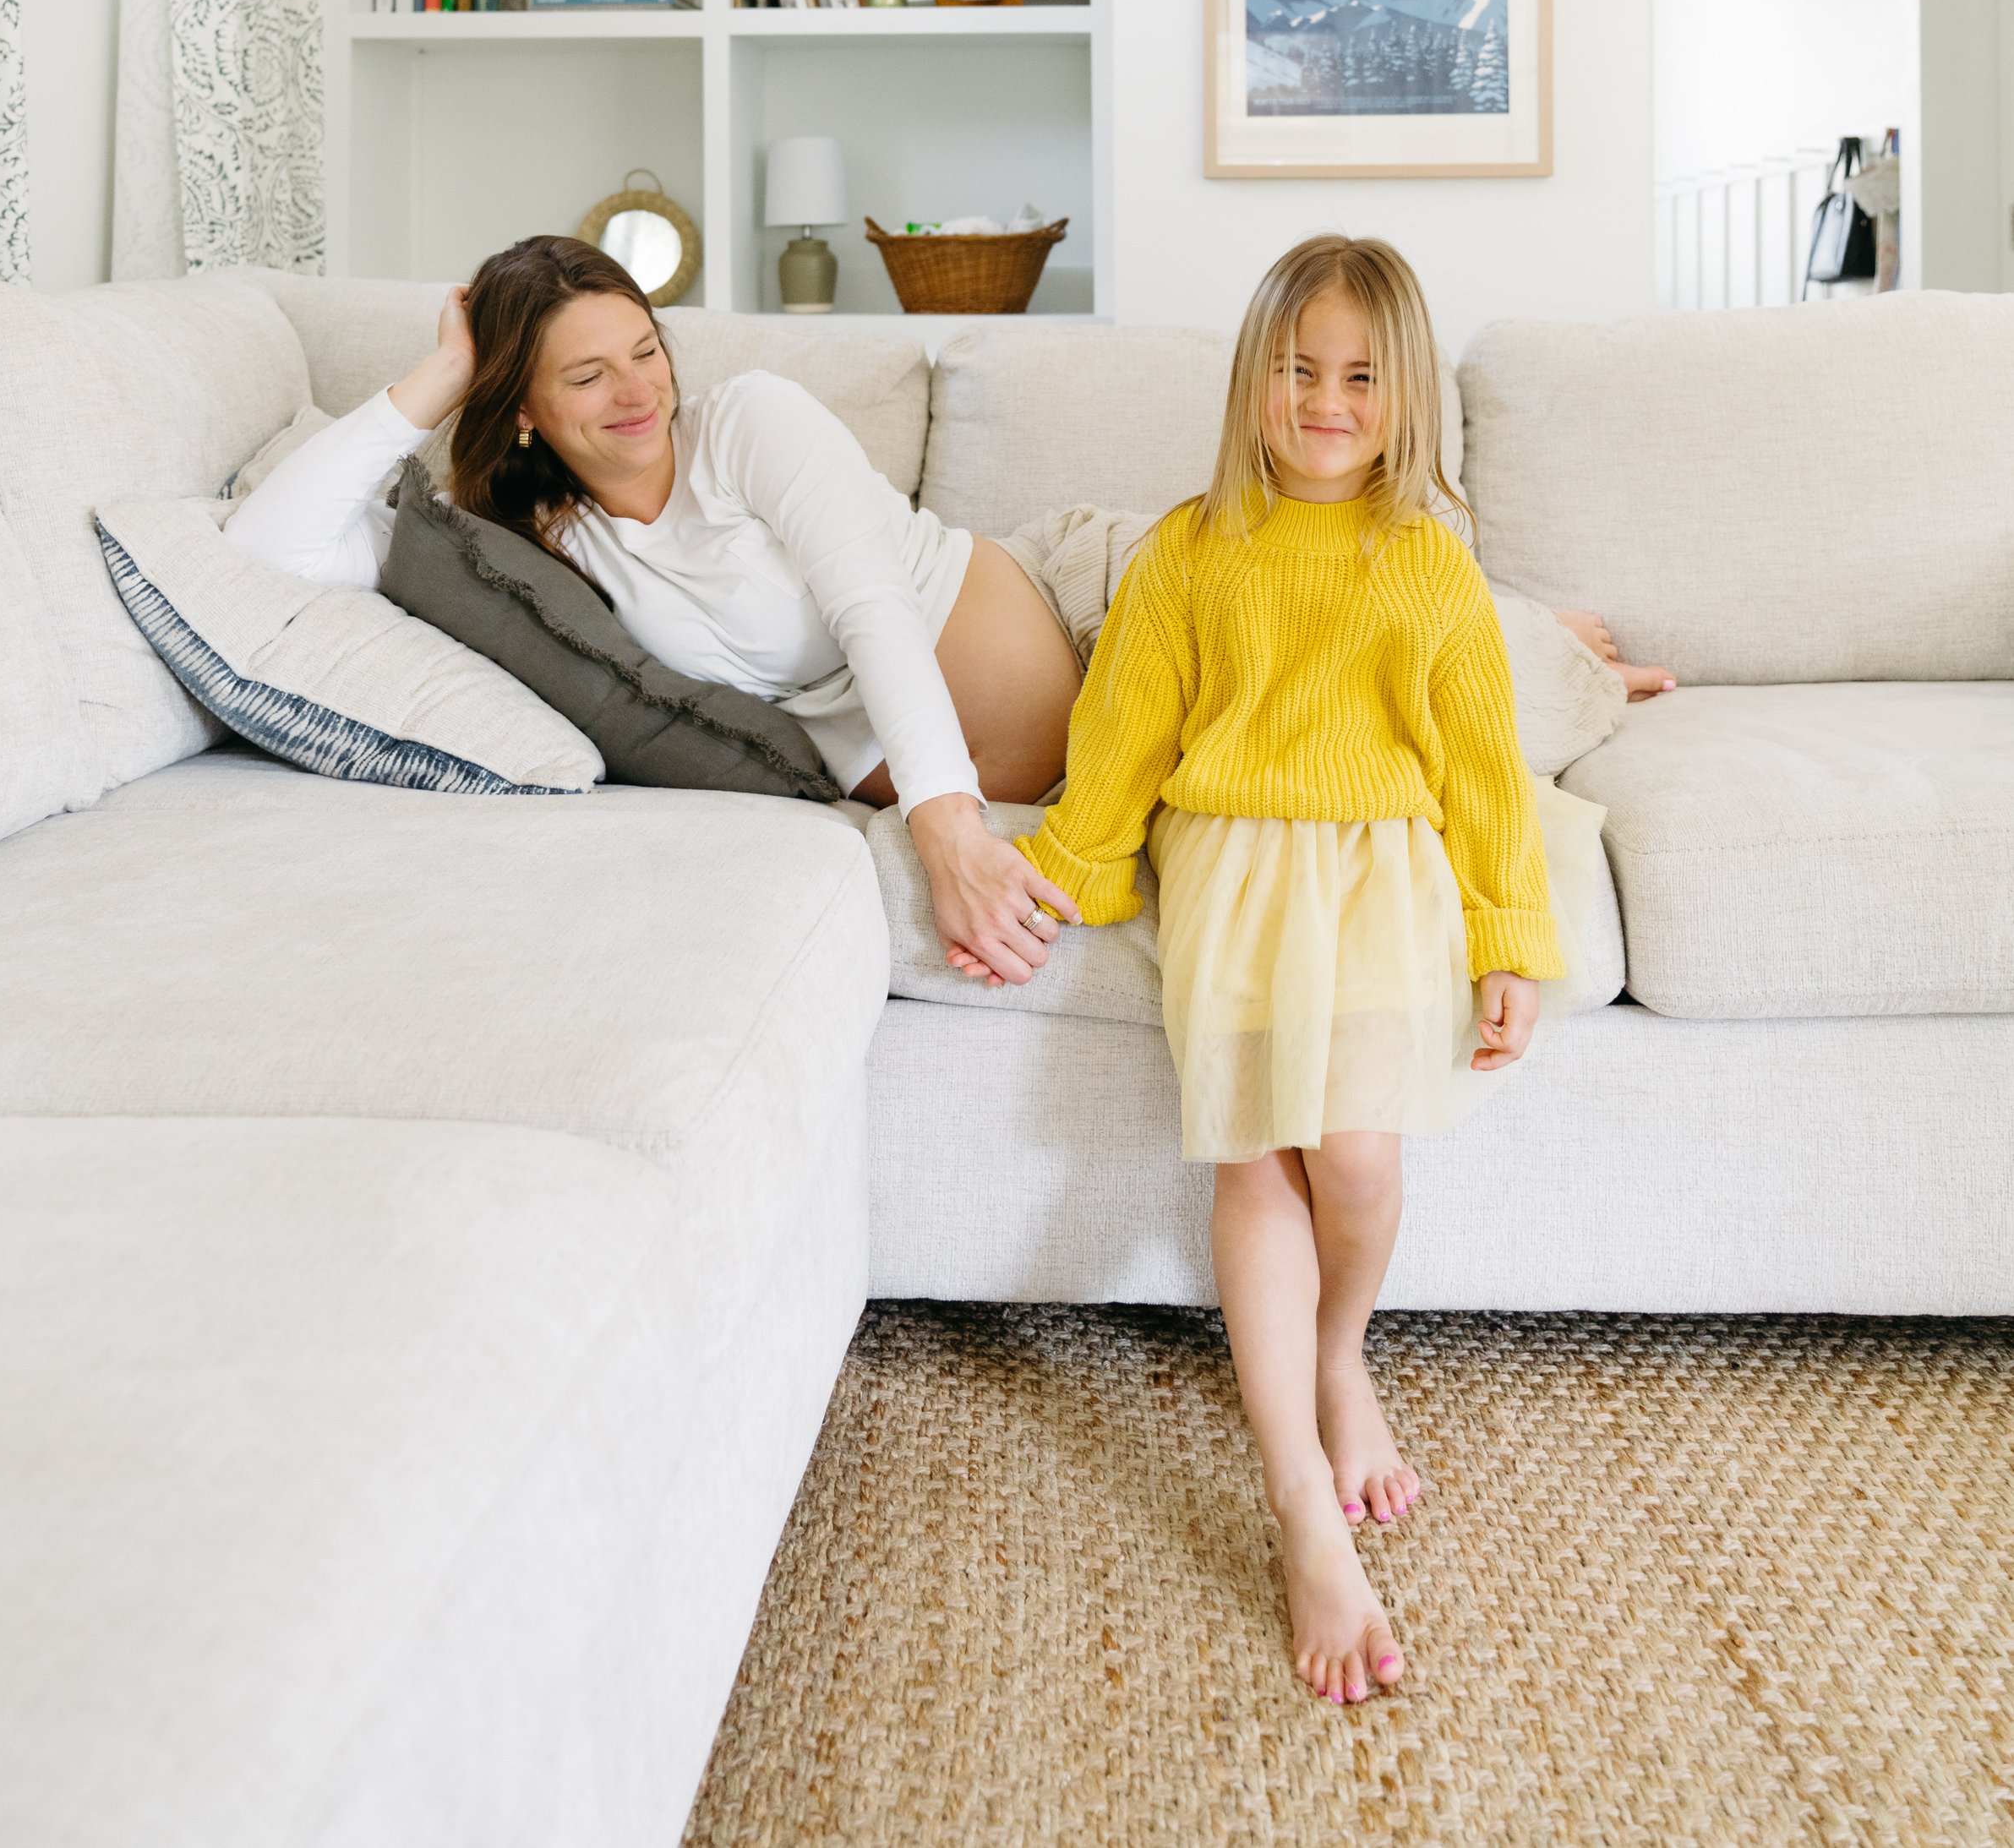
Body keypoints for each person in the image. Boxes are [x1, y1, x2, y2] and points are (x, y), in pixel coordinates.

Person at [1013, 232, 1598, 1709]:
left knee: (1358, 1156)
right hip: (1234, 865)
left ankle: (1341, 1355)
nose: (1324, 401)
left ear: (1402, 400)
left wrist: (1511, 938)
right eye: (1296, 369)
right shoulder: (1188, 549)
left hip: (1384, 874)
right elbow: (1125, 735)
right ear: (1252, 379)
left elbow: (1483, 773)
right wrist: (1068, 868)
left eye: (1357, 378)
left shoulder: (1430, 564)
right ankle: (1294, 1502)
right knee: (1261, 1157)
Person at [223, 234, 1083, 984]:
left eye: (645, 351)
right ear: (522, 404)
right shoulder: (523, 549)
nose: (637, 394)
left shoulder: (750, 421)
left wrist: (949, 838)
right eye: (588, 376)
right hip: (1040, 782)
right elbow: (274, 545)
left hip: (1087, 616)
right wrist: (448, 369)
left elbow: (874, 609)